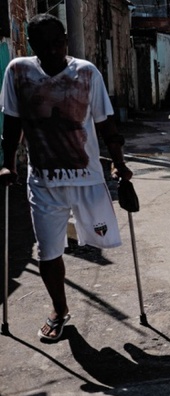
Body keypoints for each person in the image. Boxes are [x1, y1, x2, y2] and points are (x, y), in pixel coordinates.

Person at [0, 14, 133, 340]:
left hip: (87, 179)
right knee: (48, 252)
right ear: (33, 45)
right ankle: (59, 309)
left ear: (65, 40)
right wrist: (8, 164)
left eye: (58, 43)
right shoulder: (18, 71)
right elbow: (11, 123)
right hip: (43, 183)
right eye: (45, 46)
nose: (54, 51)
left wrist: (119, 163)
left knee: (104, 240)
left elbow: (106, 124)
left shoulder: (86, 73)